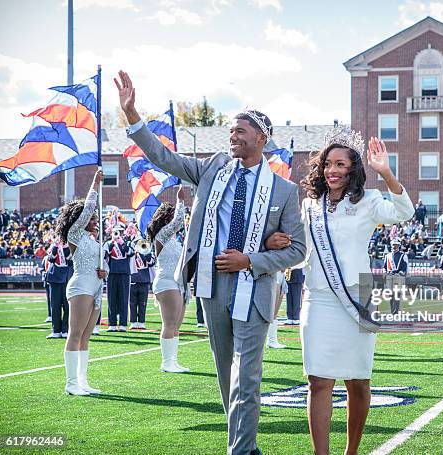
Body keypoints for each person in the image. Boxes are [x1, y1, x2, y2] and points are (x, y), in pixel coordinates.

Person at [116, 70, 306, 455]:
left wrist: (250, 259)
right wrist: (132, 116)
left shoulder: (284, 191)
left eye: (240, 131)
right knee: (227, 374)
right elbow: (163, 157)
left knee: (247, 376)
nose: (233, 136)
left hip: (254, 288)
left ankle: (240, 450)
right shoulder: (213, 169)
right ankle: (244, 444)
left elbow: (297, 250)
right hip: (212, 286)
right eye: (231, 131)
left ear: (261, 138)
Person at [268, 128, 414, 455]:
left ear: (353, 169)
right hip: (319, 299)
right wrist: (274, 241)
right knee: (318, 380)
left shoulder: (369, 201)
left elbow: (405, 213)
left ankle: (351, 452)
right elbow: (295, 246)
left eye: (340, 165)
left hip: (357, 297)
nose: (332, 170)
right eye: (328, 165)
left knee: (358, 382)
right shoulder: (309, 207)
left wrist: (387, 173)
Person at [55, 169, 107, 395]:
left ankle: (83, 381)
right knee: (75, 334)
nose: (94, 221)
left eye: (95, 218)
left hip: (95, 287)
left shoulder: (93, 239)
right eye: (92, 218)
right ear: (80, 221)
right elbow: (86, 211)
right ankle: (71, 383)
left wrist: (103, 272)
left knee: (86, 336)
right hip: (80, 287)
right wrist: (95, 184)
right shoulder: (75, 234)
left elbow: (99, 263)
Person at [147, 187, 190, 372]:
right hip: (166, 282)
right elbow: (178, 220)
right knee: (170, 324)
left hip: (179, 283)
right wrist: (180, 200)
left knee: (177, 325)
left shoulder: (174, 240)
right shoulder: (161, 235)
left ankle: (173, 360)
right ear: (165, 219)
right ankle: (166, 362)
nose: (175, 221)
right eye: (171, 217)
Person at [104, 228, 134, 332]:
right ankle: (112, 324)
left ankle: (122, 324)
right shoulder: (108, 244)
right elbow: (104, 256)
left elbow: (131, 253)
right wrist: (112, 243)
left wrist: (122, 243)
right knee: (111, 299)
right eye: (115, 232)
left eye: (119, 232)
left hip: (124, 273)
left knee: (123, 299)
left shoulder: (127, 243)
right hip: (112, 273)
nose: (117, 234)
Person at [45, 239, 73, 338]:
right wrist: (56, 246)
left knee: (67, 306)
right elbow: (50, 258)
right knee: (55, 305)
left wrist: (65, 247)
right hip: (54, 278)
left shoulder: (71, 245)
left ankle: (66, 330)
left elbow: (70, 261)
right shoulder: (54, 246)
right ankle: (56, 330)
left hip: (67, 278)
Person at [129, 240, 155, 329]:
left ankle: (141, 322)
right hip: (133, 281)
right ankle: (133, 322)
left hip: (144, 281)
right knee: (132, 303)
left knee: (142, 303)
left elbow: (151, 263)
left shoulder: (147, 254)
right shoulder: (132, 255)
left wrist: (146, 252)